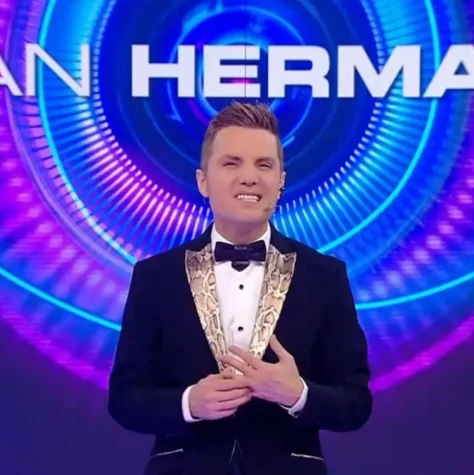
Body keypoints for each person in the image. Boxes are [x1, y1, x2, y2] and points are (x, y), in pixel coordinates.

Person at [108, 101, 372, 475]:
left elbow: (356, 402)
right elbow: (124, 398)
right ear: (203, 181)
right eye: (231, 163)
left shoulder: (323, 276)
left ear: (281, 181)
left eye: (264, 165)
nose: (249, 177)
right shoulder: (156, 276)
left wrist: (297, 394)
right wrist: (189, 404)